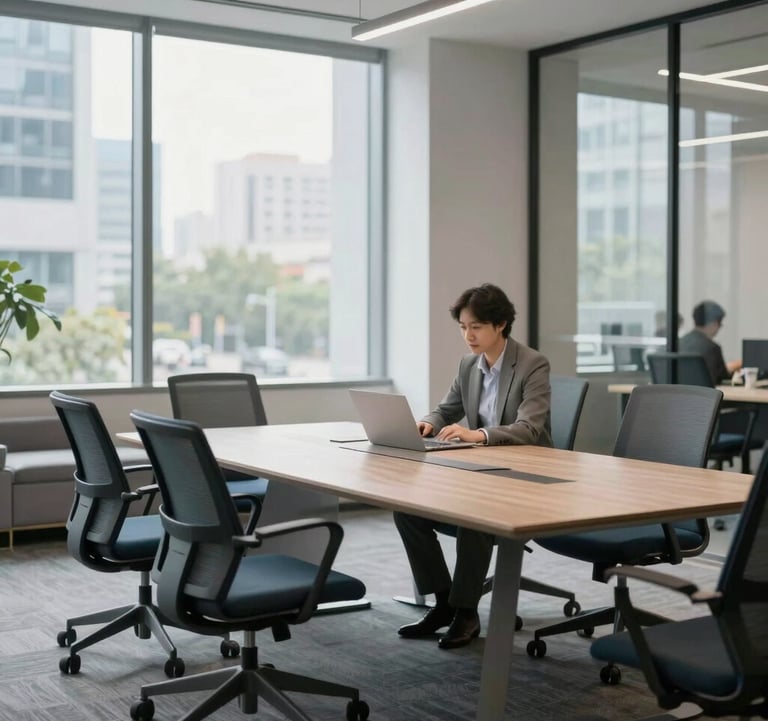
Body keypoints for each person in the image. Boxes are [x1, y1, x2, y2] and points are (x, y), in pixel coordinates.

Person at [394, 283, 552, 650]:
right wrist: (428, 423)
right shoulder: (469, 365)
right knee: (407, 511)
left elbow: (530, 429)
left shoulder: (532, 364)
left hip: (526, 478)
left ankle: (466, 611)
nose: (468, 335)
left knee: (473, 517)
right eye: (463, 327)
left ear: (500, 325)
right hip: (481, 472)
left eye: (476, 326)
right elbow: (446, 408)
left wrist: (476, 435)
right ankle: (443, 601)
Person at [678, 300, 741, 384]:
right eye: (720, 324)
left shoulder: (678, 343)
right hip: (703, 395)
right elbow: (723, 379)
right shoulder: (712, 348)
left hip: (677, 394)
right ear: (714, 323)